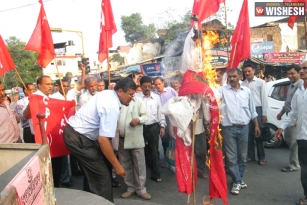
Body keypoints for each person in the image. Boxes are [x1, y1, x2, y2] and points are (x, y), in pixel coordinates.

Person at [63, 77, 137, 202]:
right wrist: (117, 166)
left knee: (95, 173)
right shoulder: (111, 106)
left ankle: (90, 201)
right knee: (102, 176)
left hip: (80, 136)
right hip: (79, 138)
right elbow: (103, 140)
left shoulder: (109, 94)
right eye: (130, 95)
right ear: (120, 91)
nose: (132, 98)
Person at [219, 68, 260, 195]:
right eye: (230, 77)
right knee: (231, 158)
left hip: (244, 128)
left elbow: (252, 111)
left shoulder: (246, 91)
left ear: (240, 77)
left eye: (234, 76)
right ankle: (237, 181)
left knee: (242, 157)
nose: (232, 79)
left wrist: (257, 126)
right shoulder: (222, 91)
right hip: (228, 129)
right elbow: (210, 95)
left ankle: (238, 179)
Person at [274, 63, 307, 205]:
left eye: (305, 68)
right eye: (302, 69)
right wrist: (282, 127)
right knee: (305, 172)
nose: (303, 71)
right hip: (303, 137)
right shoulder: (299, 91)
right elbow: (293, 112)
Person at [23, 75, 63, 188]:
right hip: (40, 139)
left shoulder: (54, 97)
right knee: (44, 169)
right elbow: (25, 116)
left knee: (56, 167)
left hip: (53, 138)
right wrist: (33, 103)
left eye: (51, 84)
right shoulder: (34, 97)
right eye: (47, 84)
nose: (50, 87)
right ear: (39, 85)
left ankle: (56, 189)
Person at [50, 66, 85, 188]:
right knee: (63, 155)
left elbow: (81, 85)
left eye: (67, 86)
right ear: (57, 87)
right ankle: (64, 178)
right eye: (63, 86)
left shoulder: (71, 93)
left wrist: (83, 71)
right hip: (59, 129)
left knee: (75, 151)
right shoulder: (52, 98)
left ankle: (76, 171)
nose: (65, 88)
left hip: (73, 127)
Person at [117, 92, 150, 200]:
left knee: (139, 165)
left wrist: (138, 120)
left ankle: (141, 189)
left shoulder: (139, 101)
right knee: (125, 164)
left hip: (135, 138)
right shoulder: (119, 101)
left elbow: (146, 116)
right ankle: (130, 188)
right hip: (121, 138)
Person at [136, 76, 166, 182]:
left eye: (149, 86)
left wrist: (162, 126)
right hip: (140, 128)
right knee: (140, 152)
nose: (147, 88)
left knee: (154, 151)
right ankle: (140, 177)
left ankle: (156, 174)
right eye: (145, 86)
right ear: (140, 86)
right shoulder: (136, 98)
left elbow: (160, 112)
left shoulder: (156, 98)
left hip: (153, 127)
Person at [277, 64, 303, 172]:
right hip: (288, 116)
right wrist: (282, 112)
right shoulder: (291, 84)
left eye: (292, 73)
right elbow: (288, 102)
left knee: (293, 142)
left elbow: (300, 104)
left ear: (298, 73)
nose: (290, 76)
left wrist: (297, 118)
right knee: (289, 140)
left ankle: (295, 164)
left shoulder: (301, 85)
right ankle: (296, 161)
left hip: (295, 117)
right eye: (288, 74)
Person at [242, 63, 268, 166]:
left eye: (249, 71)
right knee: (248, 134)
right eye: (245, 72)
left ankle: (262, 157)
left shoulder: (260, 82)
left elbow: (264, 98)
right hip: (246, 110)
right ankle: (250, 155)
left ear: (254, 71)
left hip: (258, 109)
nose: (247, 73)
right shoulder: (242, 84)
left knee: (258, 133)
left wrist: (264, 113)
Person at [153, 77, 177, 166]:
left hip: (172, 117)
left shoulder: (171, 91)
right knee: (164, 139)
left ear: (163, 83)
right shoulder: (154, 95)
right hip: (161, 118)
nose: (158, 86)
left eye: (159, 84)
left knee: (174, 137)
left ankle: (176, 158)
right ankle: (168, 160)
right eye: (156, 85)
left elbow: (178, 99)